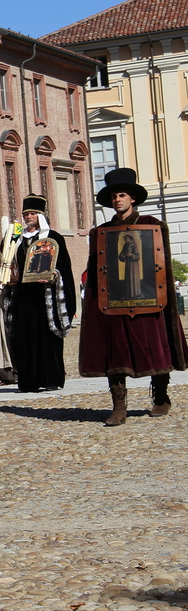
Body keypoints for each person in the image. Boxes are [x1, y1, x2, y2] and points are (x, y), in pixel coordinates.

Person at [78, 168, 188, 426]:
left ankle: (161, 397)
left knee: (156, 348)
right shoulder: (101, 232)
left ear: (132, 198)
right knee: (115, 352)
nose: (118, 200)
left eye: (122, 195)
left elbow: (161, 265)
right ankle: (119, 406)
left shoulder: (153, 227)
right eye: (114, 196)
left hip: (147, 297)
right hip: (113, 301)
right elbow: (96, 271)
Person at [8, 195, 75, 393]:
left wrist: (55, 275)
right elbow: (12, 264)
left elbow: (64, 267)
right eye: (26, 214)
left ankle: (51, 378)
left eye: (32, 213)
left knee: (47, 338)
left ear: (40, 215)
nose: (29, 217)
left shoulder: (53, 238)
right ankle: (28, 381)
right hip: (24, 296)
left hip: (46, 296)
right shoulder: (17, 241)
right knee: (24, 337)